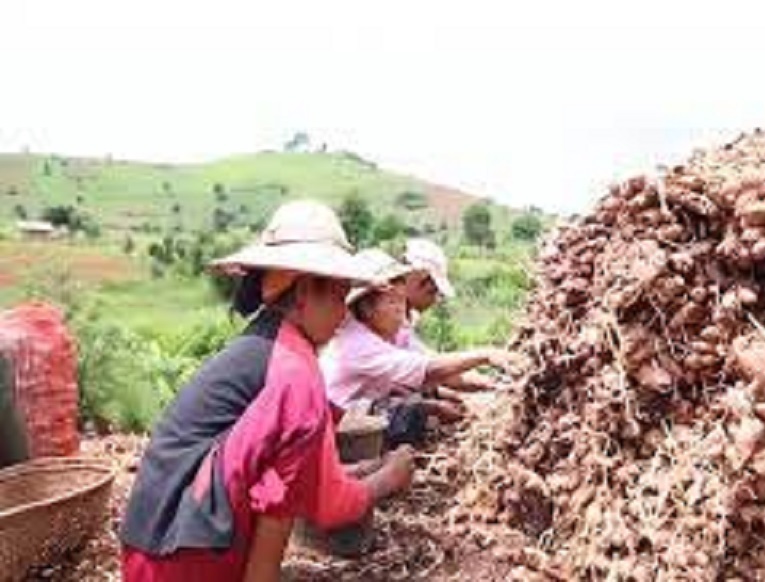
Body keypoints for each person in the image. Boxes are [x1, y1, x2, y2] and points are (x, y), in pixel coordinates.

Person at [120, 201, 414, 582]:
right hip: (191, 561)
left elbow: (272, 464)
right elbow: (326, 506)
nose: (344, 314)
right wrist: (389, 477)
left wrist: (352, 471)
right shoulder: (295, 372)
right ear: (306, 290)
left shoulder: (264, 345)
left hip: (149, 548)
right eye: (340, 297)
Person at [321, 249, 520, 446]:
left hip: (368, 412)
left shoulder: (395, 331)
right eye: (392, 302)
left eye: (401, 300)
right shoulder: (356, 343)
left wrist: (497, 386)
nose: (400, 310)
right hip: (342, 429)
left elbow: (441, 370)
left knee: (424, 404)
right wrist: (485, 355)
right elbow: (428, 370)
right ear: (366, 308)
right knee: (413, 418)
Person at [400, 239, 498, 393]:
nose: (433, 301)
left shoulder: (403, 319)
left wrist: (491, 382)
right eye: (431, 292)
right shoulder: (385, 321)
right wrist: (487, 357)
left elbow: (430, 360)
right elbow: (431, 370)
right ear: (416, 280)